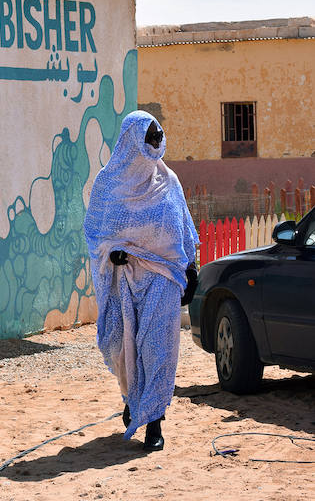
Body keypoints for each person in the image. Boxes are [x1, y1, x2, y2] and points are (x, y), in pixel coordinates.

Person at [82, 110, 198, 451]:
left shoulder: (169, 181)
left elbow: (183, 230)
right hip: (122, 278)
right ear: (132, 139)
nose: (156, 142)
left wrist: (190, 269)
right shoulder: (108, 184)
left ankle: (154, 422)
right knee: (120, 345)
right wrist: (112, 252)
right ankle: (133, 400)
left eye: (158, 136)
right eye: (149, 136)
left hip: (163, 276)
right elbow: (95, 235)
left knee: (157, 347)